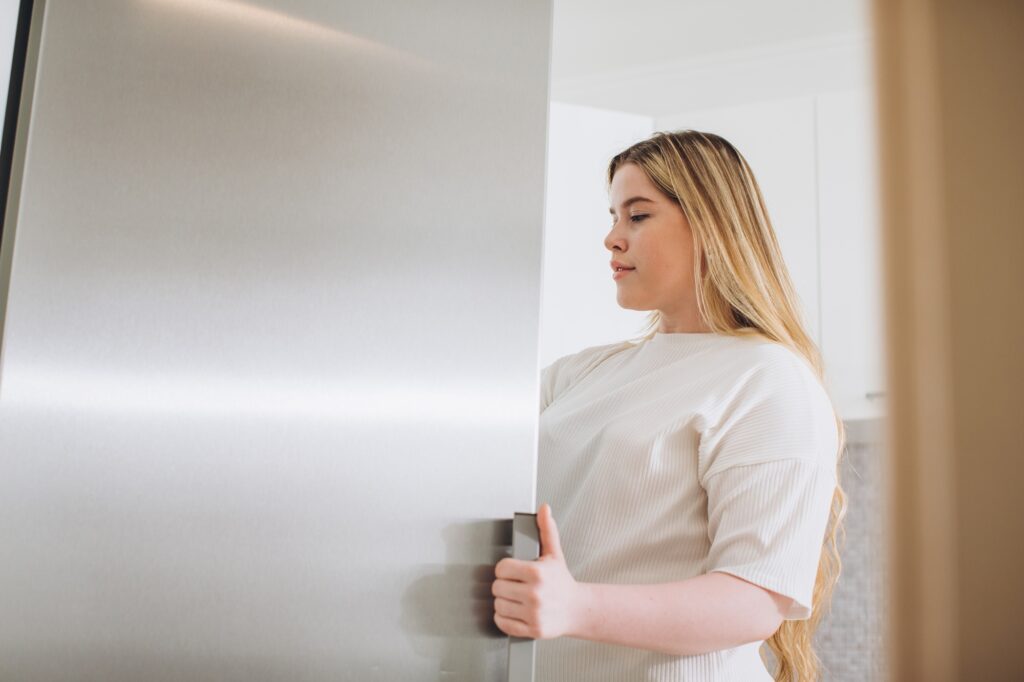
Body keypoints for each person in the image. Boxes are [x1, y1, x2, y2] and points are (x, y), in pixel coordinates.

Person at [491, 130, 848, 681]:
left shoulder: (770, 380)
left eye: (638, 216)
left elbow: (754, 601)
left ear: (711, 225)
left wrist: (576, 607)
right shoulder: (582, 373)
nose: (611, 238)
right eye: (613, 216)